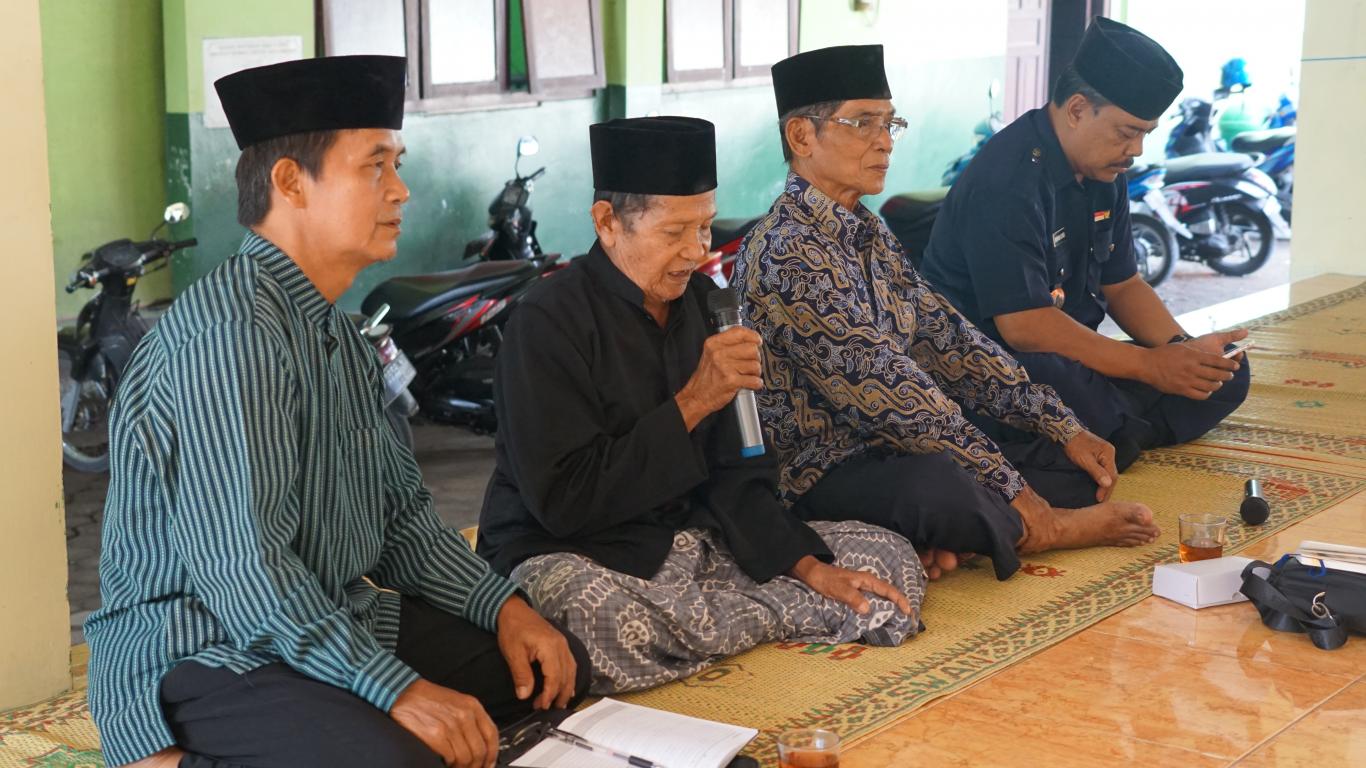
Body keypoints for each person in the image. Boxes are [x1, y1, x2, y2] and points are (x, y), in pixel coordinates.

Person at [84, 56, 587, 768]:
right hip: (203, 645)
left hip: (324, 616)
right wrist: (396, 690)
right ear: (291, 182)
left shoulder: (338, 335)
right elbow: (246, 571)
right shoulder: (232, 336)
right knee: (400, 756)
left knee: (549, 674)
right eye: (375, 166)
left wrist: (503, 607)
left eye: (397, 165)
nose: (401, 190)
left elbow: (402, 520)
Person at [477, 116, 925, 694]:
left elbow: (739, 473)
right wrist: (692, 402)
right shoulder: (546, 322)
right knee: (589, 615)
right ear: (607, 222)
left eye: (706, 227)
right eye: (674, 233)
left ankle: (717, 628)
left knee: (887, 558)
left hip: (688, 543)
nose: (696, 252)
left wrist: (809, 567)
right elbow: (565, 503)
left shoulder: (707, 305)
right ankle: (762, 619)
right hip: (580, 553)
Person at [733, 45, 1159, 584]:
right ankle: (1043, 528)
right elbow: (892, 394)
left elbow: (950, 340)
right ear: (801, 137)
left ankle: (966, 533)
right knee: (940, 487)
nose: (885, 141)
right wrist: (1013, 489)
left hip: (893, 450)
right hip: (821, 470)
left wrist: (1061, 425)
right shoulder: (786, 253)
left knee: (1066, 460)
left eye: (890, 123)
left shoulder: (868, 230)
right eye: (863, 123)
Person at [920, 18, 1250, 458]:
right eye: (1127, 132)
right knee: (1066, 386)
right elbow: (1025, 326)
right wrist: (1149, 366)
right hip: (992, 366)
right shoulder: (1007, 180)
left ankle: (1118, 431)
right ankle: (1113, 428)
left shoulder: (1105, 171)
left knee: (1228, 372)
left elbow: (1123, 284)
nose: (1136, 150)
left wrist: (1184, 351)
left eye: (1145, 134)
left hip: (1075, 356)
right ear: (1077, 110)